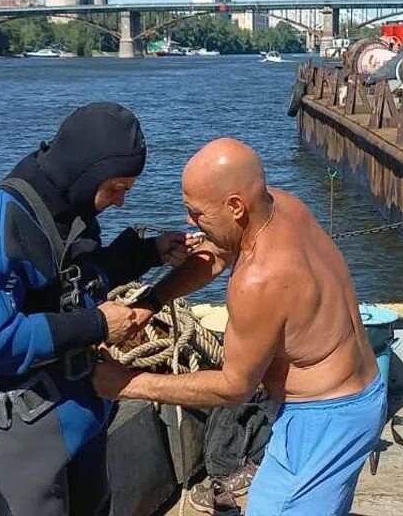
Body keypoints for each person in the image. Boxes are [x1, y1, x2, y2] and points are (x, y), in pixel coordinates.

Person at [92, 138, 384, 516]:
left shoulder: (259, 279)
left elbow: (235, 387)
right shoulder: (281, 205)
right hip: (360, 394)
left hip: (325, 420)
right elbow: (215, 254)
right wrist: (152, 302)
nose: (189, 222)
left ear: (235, 206)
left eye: (196, 213)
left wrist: (127, 383)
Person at [0, 102, 187, 516]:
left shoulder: (71, 206)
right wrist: (97, 325)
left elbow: (76, 283)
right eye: (116, 188)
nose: (121, 202)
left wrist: (148, 252)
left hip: (85, 416)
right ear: (86, 171)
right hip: (27, 437)